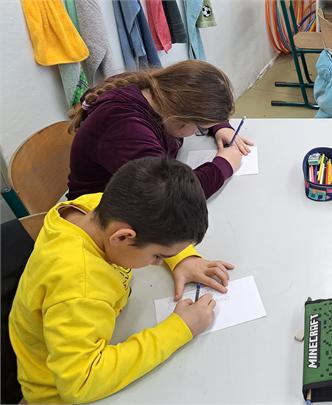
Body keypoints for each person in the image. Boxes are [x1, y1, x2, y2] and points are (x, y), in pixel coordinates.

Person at [10, 156, 234, 403]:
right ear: (122, 237)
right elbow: (80, 383)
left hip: (93, 335)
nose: (158, 263)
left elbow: (155, 227)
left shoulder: (95, 207)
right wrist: (180, 328)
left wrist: (182, 258)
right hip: (60, 393)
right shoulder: (79, 286)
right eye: (158, 256)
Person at [67, 60, 252, 199]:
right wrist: (223, 165)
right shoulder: (127, 128)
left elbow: (199, 99)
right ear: (181, 117)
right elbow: (173, 195)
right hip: (99, 213)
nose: (197, 132)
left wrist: (220, 127)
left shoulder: (157, 90)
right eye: (200, 127)